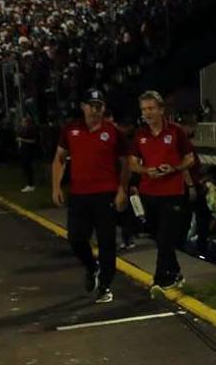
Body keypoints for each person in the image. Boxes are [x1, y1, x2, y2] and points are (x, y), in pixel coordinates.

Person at [51, 89, 128, 304]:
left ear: (103, 108)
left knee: (106, 242)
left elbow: (124, 163)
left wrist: (122, 189)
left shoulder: (113, 132)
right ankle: (91, 266)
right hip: (79, 195)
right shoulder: (71, 129)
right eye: (91, 105)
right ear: (82, 107)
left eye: (99, 105)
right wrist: (56, 186)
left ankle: (105, 285)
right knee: (76, 238)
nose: (95, 110)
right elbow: (59, 158)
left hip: (105, 195)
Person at [127, 90, 196, 293]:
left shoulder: (175, 132)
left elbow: (190, 158)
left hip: (172, 191)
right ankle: (174, 272)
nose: (147, 113)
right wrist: (146, 170)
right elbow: (132, 163)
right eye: (144, 109)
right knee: (159, 236)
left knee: (166, 236)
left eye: (151, 108)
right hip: (149, 191)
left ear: (160, 110)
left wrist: (174, 168)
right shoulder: (140, 136)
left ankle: (160, 278)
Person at [16, 113, 37, 192]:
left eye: (24, 122)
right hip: (23, 151)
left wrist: (22, 140)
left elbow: (33, 141)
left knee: (29, 168)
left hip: (28, 152)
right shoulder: (23, 129)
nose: (22, 123)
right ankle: (29, 184)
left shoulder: (31, 130)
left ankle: (30, 185)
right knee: (25, 168)